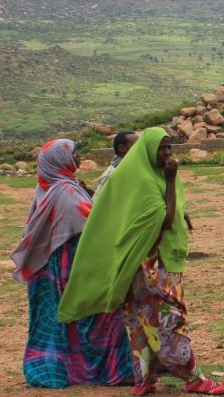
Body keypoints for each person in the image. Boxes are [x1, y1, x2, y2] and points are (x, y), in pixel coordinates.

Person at [57, 127, 224, 395]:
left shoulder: (152, 175)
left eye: (170, 147)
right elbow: (165, 220)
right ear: (147, 150)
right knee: (168, 321)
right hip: (152, 269)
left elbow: (175, 212)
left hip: (149, 266)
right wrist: (171, 181)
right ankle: (192, 376)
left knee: (140, 320)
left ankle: (145, 380)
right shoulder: (147, 182)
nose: (168, 153)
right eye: (162, 148)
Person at [10, 139, 132, 388]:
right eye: (75, 154)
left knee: (71, 318)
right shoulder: (64, 191)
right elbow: (90, 225)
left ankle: (73, 367)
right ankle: (111, 370)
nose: (79, 157)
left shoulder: (49, 187)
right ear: (60, 160)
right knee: (101, 312)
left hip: (57, 265)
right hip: (76, 265)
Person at [94, 131, 139, 202]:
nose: (141, 149)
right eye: (136, 146)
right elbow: (95, 204)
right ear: (121, 148)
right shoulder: (110, 176)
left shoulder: (134, 169)